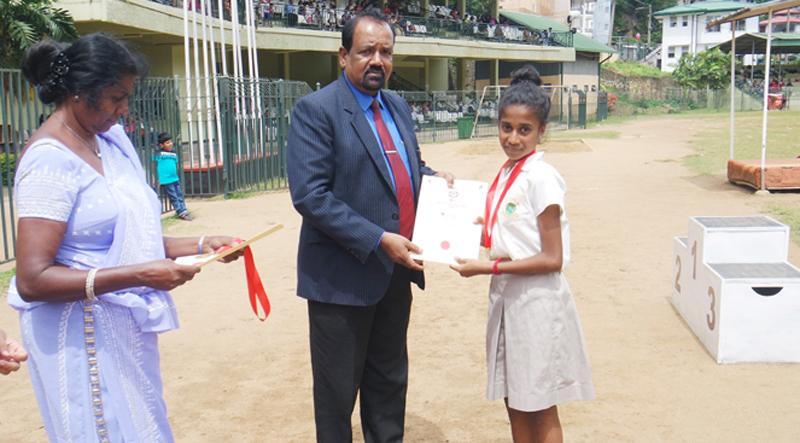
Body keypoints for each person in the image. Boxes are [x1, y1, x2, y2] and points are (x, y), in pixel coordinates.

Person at [12, 33, 243, 442]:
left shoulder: (110, 142)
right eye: (116, 97)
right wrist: (139, 276)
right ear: (80, 92)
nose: (124, 110)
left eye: (127, 97)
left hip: (123, 330)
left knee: (142, 426)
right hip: (78, 336)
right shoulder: (49, 160)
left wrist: (203, 244)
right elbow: (33, 280)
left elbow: (134, 238)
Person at [287, 9, 453, 442]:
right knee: (337, 397)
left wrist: (436, 181)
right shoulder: (316, 110)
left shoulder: (396, 106)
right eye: (367, 51)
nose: (377, 60)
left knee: (388, 383)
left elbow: (406, 167)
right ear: (344, 56)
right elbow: (311, 195)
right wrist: (378, 239)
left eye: (386, 52)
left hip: (396, 274)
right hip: (342, 280)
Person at [450, 65, 594, 443]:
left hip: (536, 304)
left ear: (541, 131)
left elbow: (552, 258)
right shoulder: (508, 171)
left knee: (541, 403)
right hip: (509, 300)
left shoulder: (542, 176)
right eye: (506, 127)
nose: (513, 138)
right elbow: (507, 231)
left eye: (524, 129)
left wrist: (488, 267)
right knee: (515, 399)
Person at [155, 131, 192, 220]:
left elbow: (175, 164)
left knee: (179, 194)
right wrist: (157, 178)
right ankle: (180, 212)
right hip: (166, 179)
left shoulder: (174, 153)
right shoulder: (159, 154)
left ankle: (184, 209)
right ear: (161, 145)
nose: (170, 144)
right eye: (167, 143)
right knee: (173, 196)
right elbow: (155, 164)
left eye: (171, 142)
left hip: (174, 178)